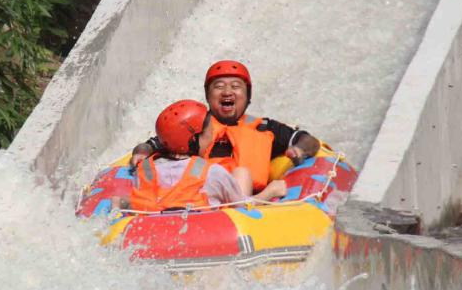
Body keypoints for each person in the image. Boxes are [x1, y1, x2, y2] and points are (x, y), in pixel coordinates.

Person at [130, 60, 321, 193]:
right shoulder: (194, 125)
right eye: (219, 86)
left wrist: (299, 149)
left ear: (247, 96)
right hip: (197, 197)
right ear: (207, 95)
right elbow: (153, 144)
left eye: (236, 86)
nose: (227, 92)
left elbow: (308, 140)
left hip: (246, 202)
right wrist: (141, 152)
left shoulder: (265, 128)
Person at [122, 100, 286, 212]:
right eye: (209, 132)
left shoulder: (144, 170)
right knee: (241, 174)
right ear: (195, 139)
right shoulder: (212, 172)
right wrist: (270, 192)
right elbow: (240, 205)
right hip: (203, 237)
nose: (213, 135)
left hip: (154, 232)